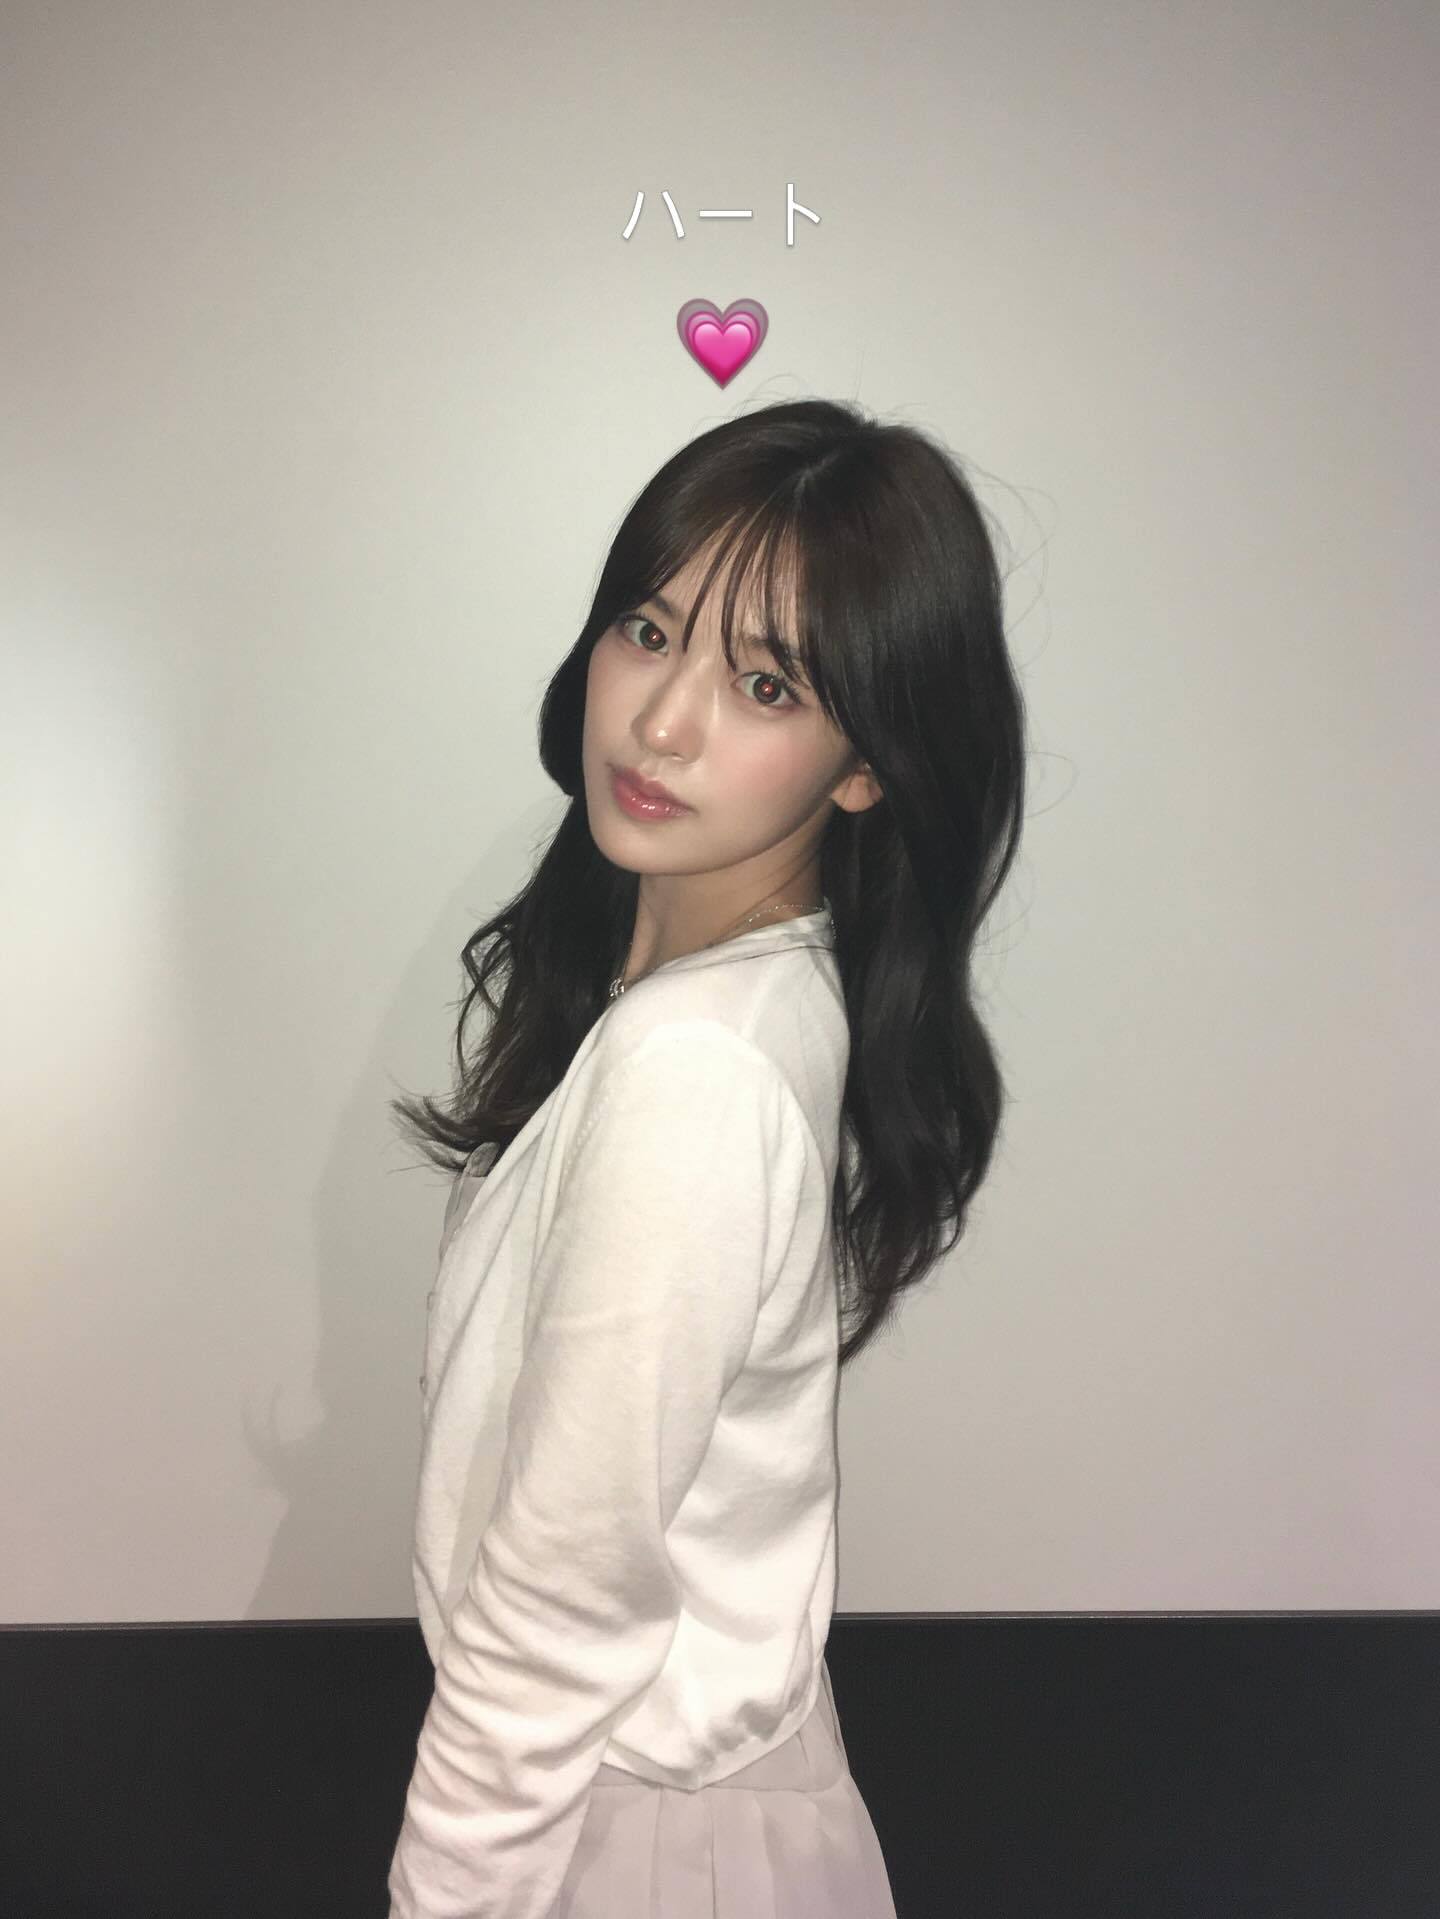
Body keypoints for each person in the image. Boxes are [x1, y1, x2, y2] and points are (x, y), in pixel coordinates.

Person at [385, 397, 1029, 1916]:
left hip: (634, 1831)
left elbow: (561, 1601)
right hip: (676, 1803)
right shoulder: (742, 996)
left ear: (866, 764)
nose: (663, 723)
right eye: (649, 631)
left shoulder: (697, 1065)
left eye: (765, 683)